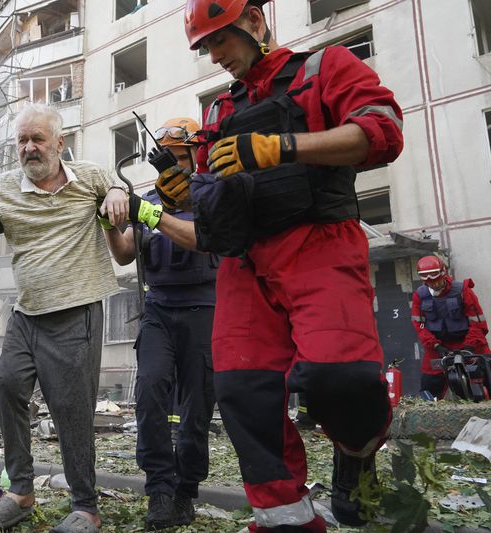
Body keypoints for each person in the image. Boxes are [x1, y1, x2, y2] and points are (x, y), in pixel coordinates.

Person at [165, 1, 405, 530]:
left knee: (340, 378)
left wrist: (282, 147)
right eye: (205, 48)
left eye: (219, 41)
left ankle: (356, 456)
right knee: (242, 392)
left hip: (321, 244)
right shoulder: (218, 114)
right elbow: (212, 211)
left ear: (253, 22)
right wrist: (185, 192)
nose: (214, 57)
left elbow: (383, 133)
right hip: (246, 264)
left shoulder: (329, 67)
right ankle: (286, 519)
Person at [0, 103, 129, 533]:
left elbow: (116, 192)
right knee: (7, 386)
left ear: (59, 143)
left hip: (77, 312)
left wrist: (118, 193)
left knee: (72, 409)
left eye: (38, 140)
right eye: (22, 141)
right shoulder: (3, 188)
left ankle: (85, 506)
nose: (29, 148)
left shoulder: (90, 176)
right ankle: (20, 492)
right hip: (28, 313)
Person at [102, 117, 217, 530]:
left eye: (180, 157)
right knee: (150, 394)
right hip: (159, 310)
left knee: (197, 409)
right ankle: (160, 491)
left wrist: (151, 213)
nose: (173, 167)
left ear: (195, 156)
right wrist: (110, 227)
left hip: (205, 309)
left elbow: (203, 238)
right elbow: (123, 255)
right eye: (166, 159)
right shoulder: (149, 200)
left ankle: (186, 491)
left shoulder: (209, 195)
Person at [411, 255, 491, 399]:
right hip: (437, 346)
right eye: (428, 280)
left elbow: (476, 322)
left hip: (468, 342)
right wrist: (435, 345)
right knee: (430, 385)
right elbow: (420, 325)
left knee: (485, 373)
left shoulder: (463, 291)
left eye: (436, 278)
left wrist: (469, 347)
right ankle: (431, 409)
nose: (434, 284)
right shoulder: (420, 296)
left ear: (443, 272)